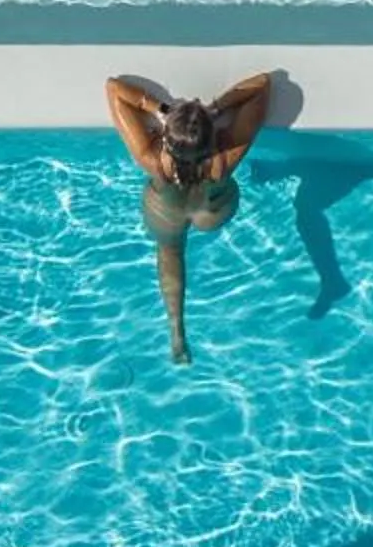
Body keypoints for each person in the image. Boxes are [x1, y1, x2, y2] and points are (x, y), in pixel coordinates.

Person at [104, 70, 275, 364]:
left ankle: (177, 332)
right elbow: (261, 87)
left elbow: (114, 89)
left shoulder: (152, 157)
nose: (194, 98)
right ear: (212, 138)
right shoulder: (226, 157)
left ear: (167, 139)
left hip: (166, 213)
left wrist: (163, 109)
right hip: (213, 212)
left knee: (169, 250)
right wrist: (216, 108)